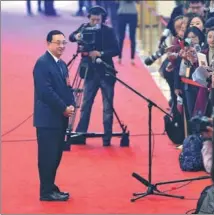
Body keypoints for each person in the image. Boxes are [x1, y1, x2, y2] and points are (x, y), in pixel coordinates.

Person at [33, 30, 75, 201]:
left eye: (64, 43)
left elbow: (67, 87)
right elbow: (46, 92)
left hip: (60, 118)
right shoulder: (42, 63)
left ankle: (51, 186)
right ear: (48, 43)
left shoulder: (62, 64)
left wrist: (71, 103)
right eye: (57, 42)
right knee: (47, 156)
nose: (61, 46)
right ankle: (45, 192)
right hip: (48, 119)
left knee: (56, 155)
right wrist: (63, 108)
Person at [69, 6, 120, 146]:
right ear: (89, 18)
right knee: (85, 105)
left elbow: (117, 49)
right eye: (93, 19)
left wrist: (101, 54)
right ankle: (80, 134)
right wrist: (77, 36)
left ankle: (107, 138)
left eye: (98, 19)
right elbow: (71, 37)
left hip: (106, 72)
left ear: (103, 19)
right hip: (90, 73)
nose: (95, 22)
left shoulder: (108, 31)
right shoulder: (84, 27)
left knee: (107, 107)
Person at [117, 0, 138, 65]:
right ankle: (119, 57)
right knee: (121, 37)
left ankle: (132, 58)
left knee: (132, 37)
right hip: (122, 13)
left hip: (133, 14)